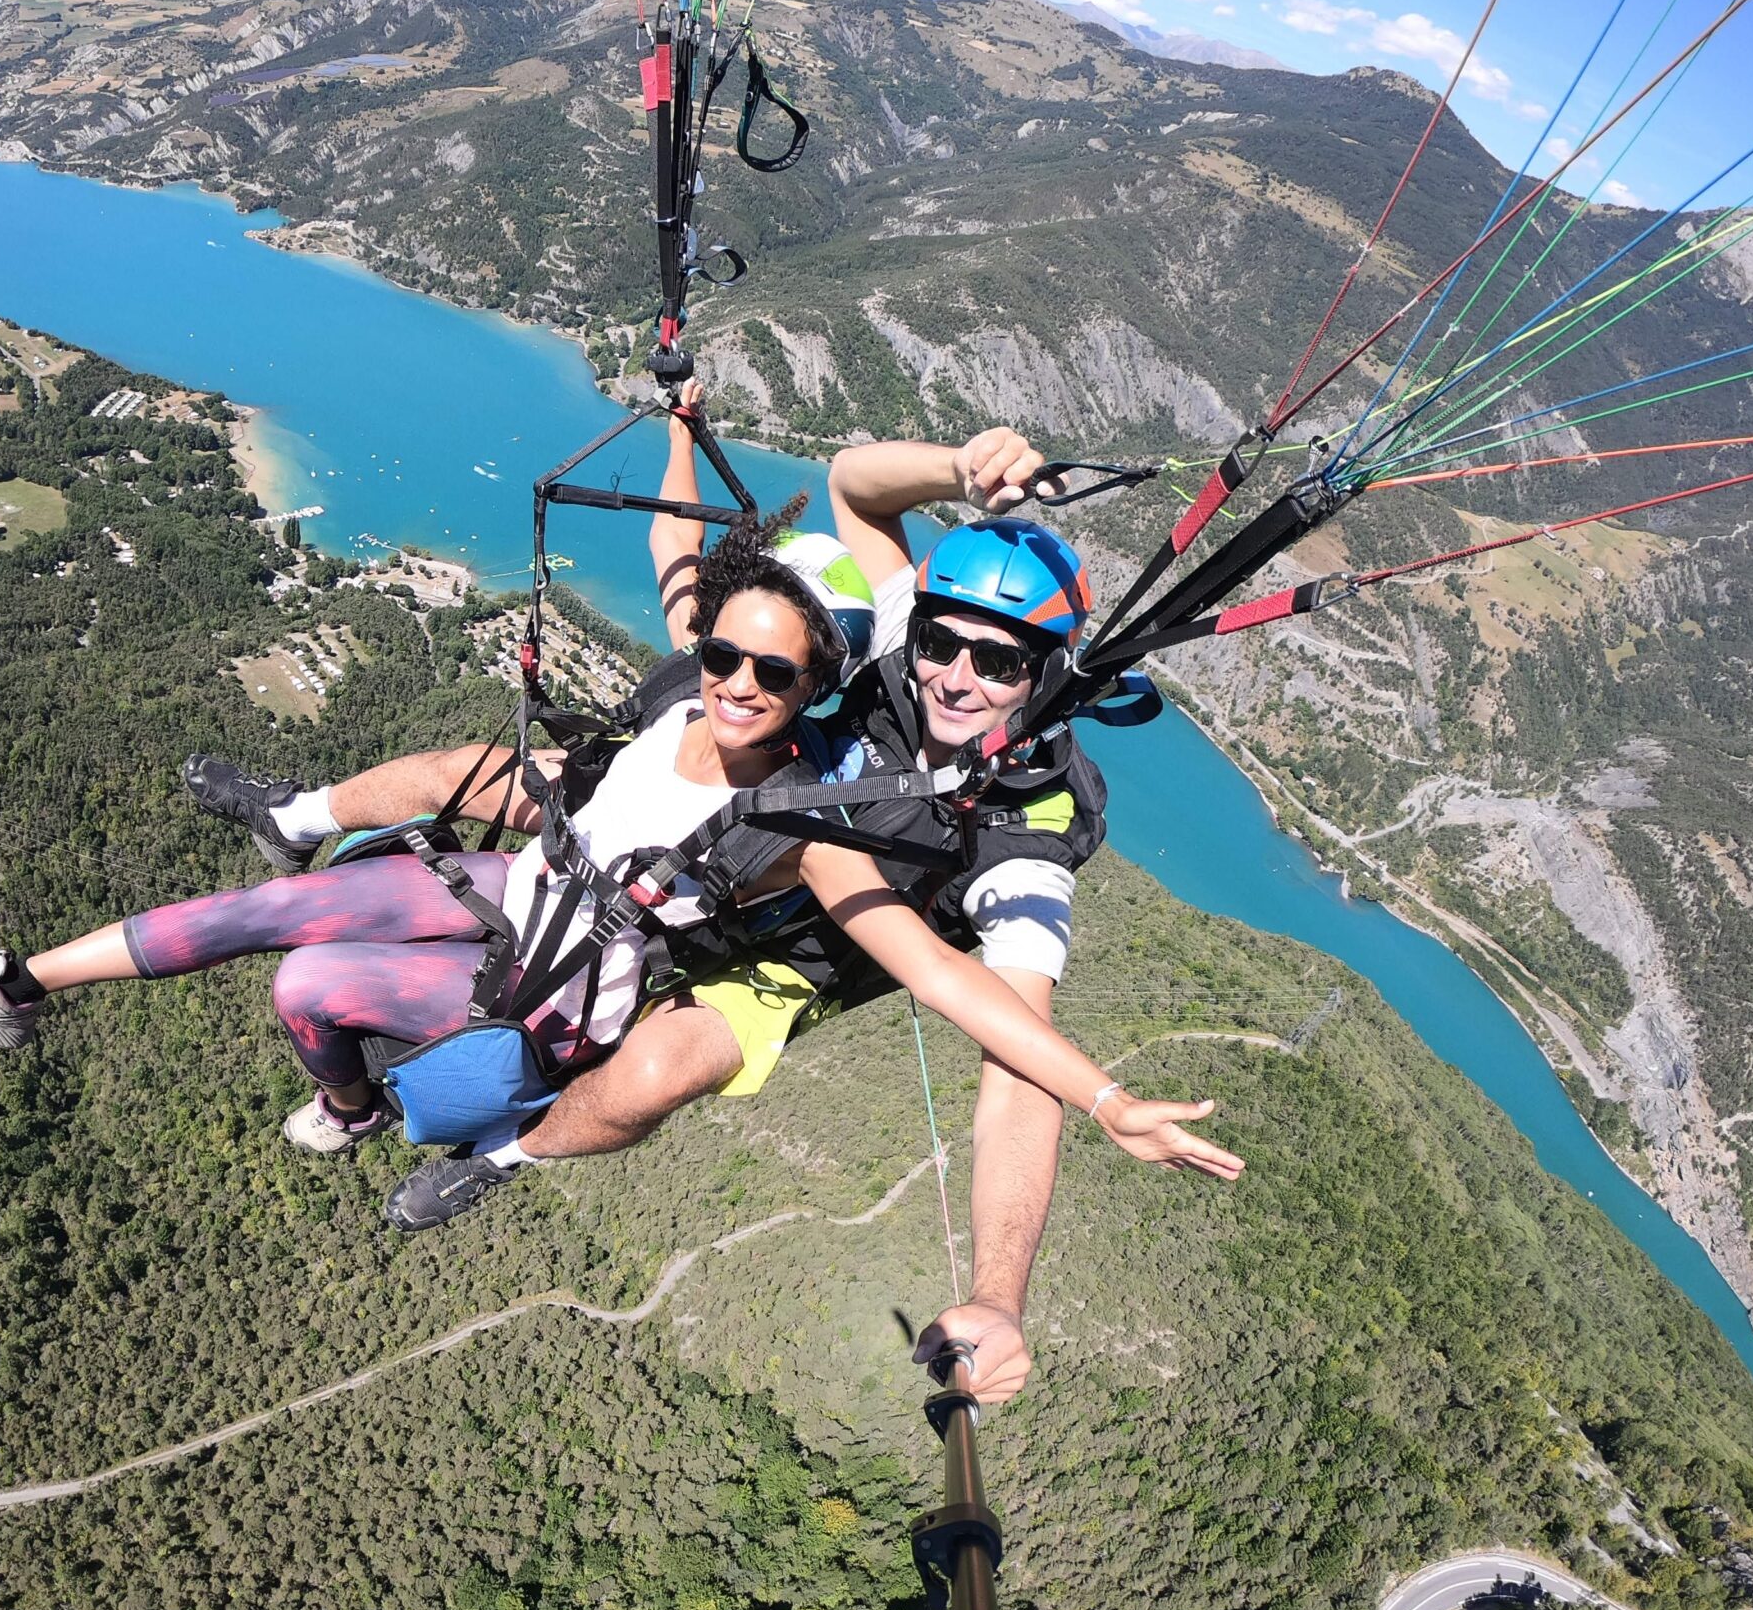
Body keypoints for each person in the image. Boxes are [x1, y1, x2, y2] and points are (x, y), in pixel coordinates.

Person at [182, 406, 1241, 1402]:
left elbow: (1016, 1054)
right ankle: (302, 815)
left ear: (1048, 673)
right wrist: (959, 468)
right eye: (940, 645)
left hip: (802, 945)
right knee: (508, 770)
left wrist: (1001, 1293)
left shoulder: (1026, 836)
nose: (956, 676)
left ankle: (507, 1154)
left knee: (659, 1068)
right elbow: (856, 490)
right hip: (714, 822)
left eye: (999, 662)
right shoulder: (906, 640)